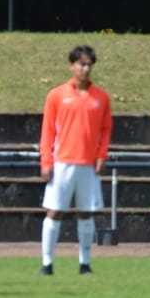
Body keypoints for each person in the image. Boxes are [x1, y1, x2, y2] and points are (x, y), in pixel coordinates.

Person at [38, 45, 113, 275]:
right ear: (72, 65)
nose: (85, 69)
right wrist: (46, 161)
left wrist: (101, 155)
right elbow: (48, 131)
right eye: (81, 64)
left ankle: (85, 264)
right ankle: (47, 264)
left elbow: (106, 130)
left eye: (89, 64)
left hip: (88, 164)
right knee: (54, 211)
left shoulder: (101, 97)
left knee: (86, 213)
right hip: (62, 162)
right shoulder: (56, 95)